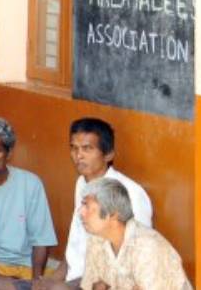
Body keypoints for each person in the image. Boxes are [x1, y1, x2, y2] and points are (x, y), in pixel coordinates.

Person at [52, 118, 154, 287]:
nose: (78, 156)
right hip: (73, 280)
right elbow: (75, 243)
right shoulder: (81, 183)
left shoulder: (129, 194)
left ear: (108, 154)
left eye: (87, 148)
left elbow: (134, 261)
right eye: (74, 148)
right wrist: (53, 279)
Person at [0, 116, 55, 284]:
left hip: (24, 268)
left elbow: (41, 240)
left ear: (9, 153)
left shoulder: (30, 184)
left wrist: (36, 282)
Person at [78, 178, 190, 290]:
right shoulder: (96, 240)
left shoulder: (147, 248)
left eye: (87, 206)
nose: (80, 212)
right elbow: (92, 286)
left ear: (112, 214)